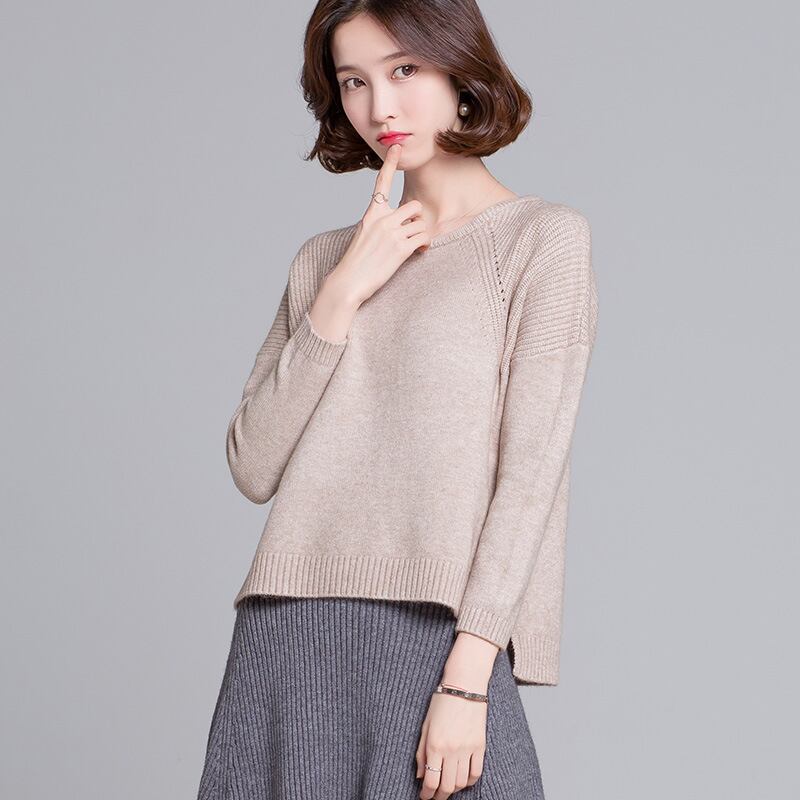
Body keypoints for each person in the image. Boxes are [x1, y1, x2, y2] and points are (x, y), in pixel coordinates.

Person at [196, 1, 598, 799]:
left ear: (460, 68)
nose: (380, 105)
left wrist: (468, 681)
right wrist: (342, 293)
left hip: (440, 639)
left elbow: (529, 478)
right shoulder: (323, 261)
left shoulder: (541, 241)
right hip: (289, 638)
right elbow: (252, 463)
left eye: (404, 69)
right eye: (354, 81)